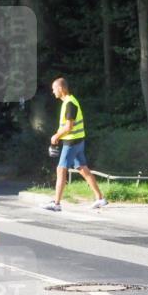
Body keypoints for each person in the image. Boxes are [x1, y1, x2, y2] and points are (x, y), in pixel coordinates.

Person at [42, 78, 107, 211]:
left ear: (61, 89)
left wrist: (56, 136)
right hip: (77, 141)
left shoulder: (70, 103)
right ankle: (100, 198)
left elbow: (69, 127)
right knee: (83, 170)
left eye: (54, 89)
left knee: (61, 169)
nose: (53, 92)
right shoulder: (69, 102)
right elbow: (66, 126)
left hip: (71, 142)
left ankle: (56, 203)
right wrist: (58, 136)